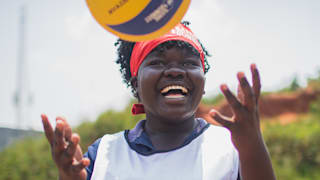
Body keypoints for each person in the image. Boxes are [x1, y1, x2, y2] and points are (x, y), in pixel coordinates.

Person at [41, 22, 276, 180]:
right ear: (135, 85)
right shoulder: (104, 154)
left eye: (189, 63)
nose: (175, 71)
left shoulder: (230, 148)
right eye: (158, 62)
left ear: (203, 84)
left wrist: (252, 143)